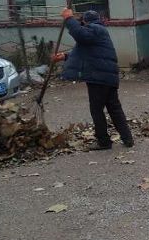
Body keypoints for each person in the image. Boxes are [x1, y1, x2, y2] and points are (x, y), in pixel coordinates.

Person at [53, 8, 134, 149]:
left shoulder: (94, 29)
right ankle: (127, 138)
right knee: (114, 108)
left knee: (97, 110)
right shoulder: (98, 31)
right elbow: (85, 51)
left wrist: (68, 19)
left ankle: (104, 141)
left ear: (85, 21)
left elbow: (80, 35)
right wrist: (65, 57)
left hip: (99, 77)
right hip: (108, 76)